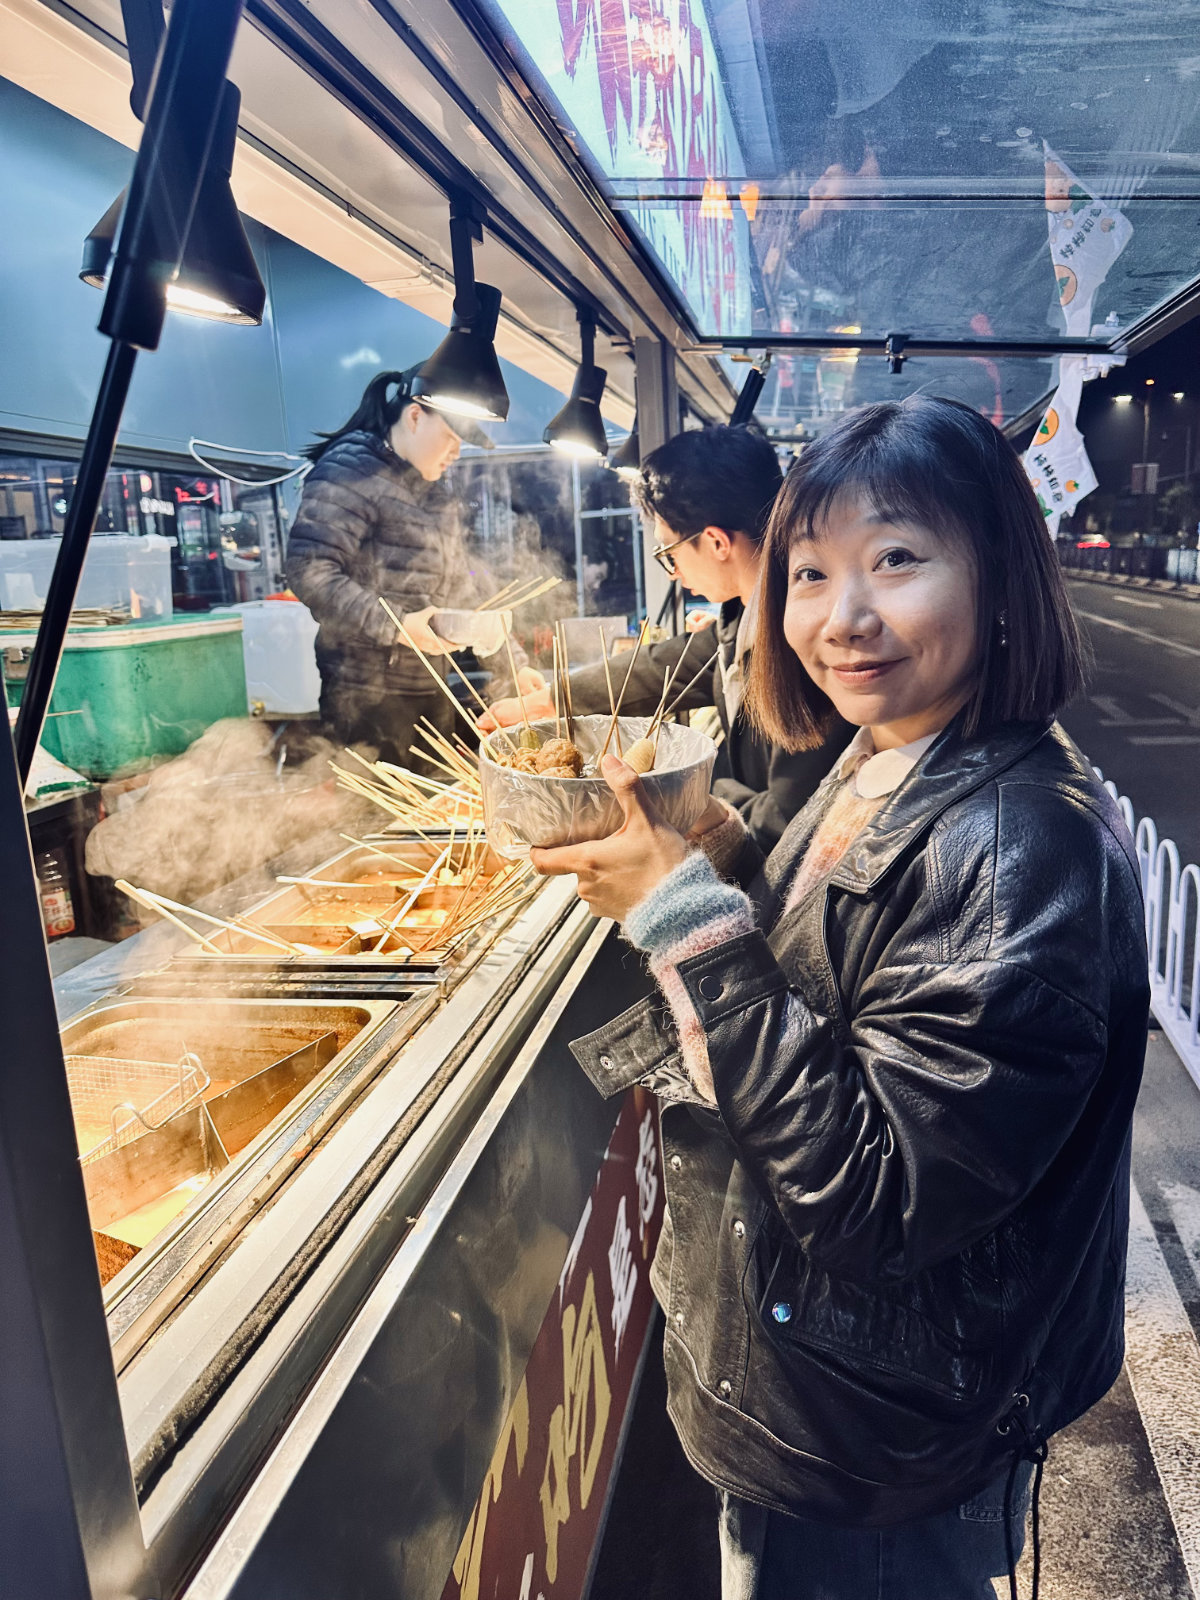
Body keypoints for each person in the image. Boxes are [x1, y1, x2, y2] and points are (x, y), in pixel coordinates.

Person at [531, 396, 1149, 1599]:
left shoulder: (1022, 847)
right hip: (817, 1379)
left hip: (876, 1432)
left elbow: (873, 1199)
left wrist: (680, 913)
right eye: (809, 572)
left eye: (897, 560)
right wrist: (708, 851)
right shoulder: (892, 749)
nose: (841, 616)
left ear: (1000, 570)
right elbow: (827, 957)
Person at [480, 426, 852, 849]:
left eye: (669, 553)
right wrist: (551, 699)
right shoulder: (748, 611)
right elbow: (667, 664)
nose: (673, 572)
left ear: (715, 542)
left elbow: (790, 819)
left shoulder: (805, 641)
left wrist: (680, 789)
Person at [286, 368, 539, 766]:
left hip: (429, 687)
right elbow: (309, 569)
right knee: (374, 820)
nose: (457, 451)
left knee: (435, 812)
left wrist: (515, 666)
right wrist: (399, 626)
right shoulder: (350, 470)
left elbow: (463, 591)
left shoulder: (435, 495)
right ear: (415, 416)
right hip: (364, 697)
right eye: (453, 436)